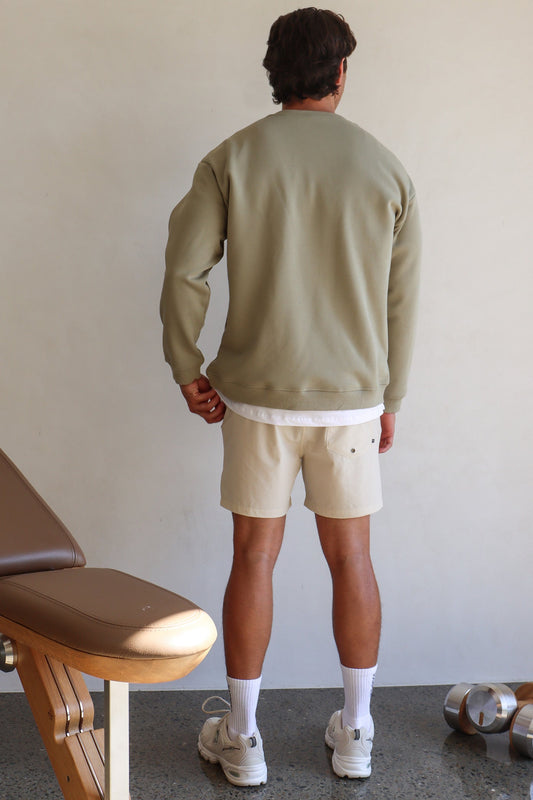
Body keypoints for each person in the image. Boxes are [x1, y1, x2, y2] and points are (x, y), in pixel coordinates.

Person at [160, 7, 421, 787]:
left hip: (256, 402)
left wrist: (186, 365)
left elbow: (184, 272)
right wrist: (390, 396)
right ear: (339, 71)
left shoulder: (231, 158)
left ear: (275, 72)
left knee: (253, 556)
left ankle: (242, 737)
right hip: (351, 400)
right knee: (353, 558)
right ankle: (357, 733)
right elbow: (401, 301)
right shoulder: (384, 168)